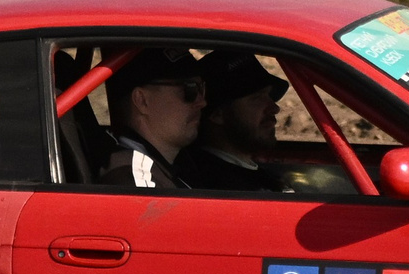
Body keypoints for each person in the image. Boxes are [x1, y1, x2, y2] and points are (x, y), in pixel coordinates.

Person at [179, 49, 289, 191]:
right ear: (217, 115)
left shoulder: (244, 175)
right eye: (256, 98)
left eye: (268, 96)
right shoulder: (218, 188)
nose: (274, 108)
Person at [97, 48, 204, 189]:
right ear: (142, 100)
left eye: (202, 89)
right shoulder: (136, 180)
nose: (202, 102)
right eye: (190, 90)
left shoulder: (182, 166)